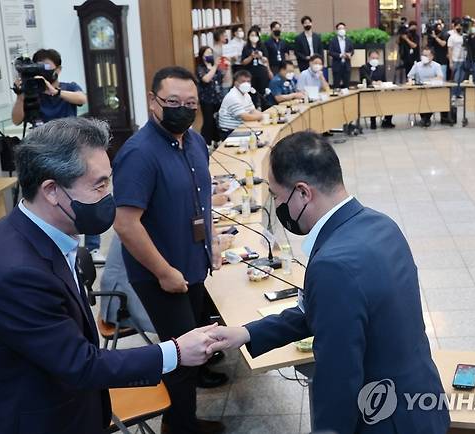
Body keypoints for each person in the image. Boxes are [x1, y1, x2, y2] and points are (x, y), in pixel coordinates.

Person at [0, 117, 218, 434]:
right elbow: (80, 363)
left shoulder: (35, 230)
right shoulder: (18, 273)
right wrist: (175, 352)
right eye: (99, 184)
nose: (110, 195)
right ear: (51, 190)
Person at [206, 131, 451, 434]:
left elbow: (338, 378)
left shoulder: (333, 264)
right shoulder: (381, 224)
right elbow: (330, 312)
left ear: (303, 193)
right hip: (422, 403)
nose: (277, 206)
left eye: (277, 197)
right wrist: (246, 333)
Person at [113, 66, 227, 434]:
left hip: (192, 262)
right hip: (159, 273)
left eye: (190, 103)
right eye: (173, 102)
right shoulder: (138, 154)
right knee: (180, 357)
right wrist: (164, 272)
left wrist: (213, 245)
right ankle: (178, 428)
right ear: (152, 102)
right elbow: (125, 223)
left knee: (196, 343)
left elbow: (202, 199)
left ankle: (185, 418)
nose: (183, 109)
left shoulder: (193, 141)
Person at [10, 48, 104, 265]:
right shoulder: (32, 92)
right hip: (44, 155)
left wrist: (55, 92)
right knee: (51, 199)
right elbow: (16, 120)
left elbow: (82, 99)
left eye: (48, 67)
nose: (44, 73)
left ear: (58, 69)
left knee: (86, 195)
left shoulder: (68, 88)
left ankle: (93, 247)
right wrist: (22, 94)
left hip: (72, 151)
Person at [218, 69, 264, 137]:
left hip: (242, 126)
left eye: (248, 81)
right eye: (243, 81)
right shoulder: (233, 96)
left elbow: (252, 110)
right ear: (236, 83)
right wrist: (261, 116)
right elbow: (245, 117)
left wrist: (264, 116)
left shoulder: (246, 94)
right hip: (230, 131)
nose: (246, 84)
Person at [407, 48, 443, 127]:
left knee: (431, 99)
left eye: (426, 55)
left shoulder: (436, 65)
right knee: (420, 98)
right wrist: (412, 81)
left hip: (432, 91)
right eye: (423, 55)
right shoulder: (417, 65)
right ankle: (425, 119)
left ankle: (425, 119)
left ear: (432, 57)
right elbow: (409, 76)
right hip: (419, 90)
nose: (424, 57)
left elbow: (440, 77)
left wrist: (430, 81)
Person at [359, 50, 394, 129]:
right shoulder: (364, 67)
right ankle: (373, 122)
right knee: (372, 101)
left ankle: (387, 121)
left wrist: (380, 82)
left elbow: (384, 80)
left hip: (380, 92)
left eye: (376, 58)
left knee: (391, 99)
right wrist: (372, 82)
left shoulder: (381, 68)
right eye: (373, 58)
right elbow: (365, 77)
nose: (375, 60)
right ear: (369, 58)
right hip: (369, 93)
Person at [196, 46, 223, 147]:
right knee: (208, 121)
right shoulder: (200, 68)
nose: (209, 56)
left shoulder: (214, 67)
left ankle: (217, 140)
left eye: (210, 53)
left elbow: (220, 78)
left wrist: (224, 68)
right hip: (207, 99)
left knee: (217, 120)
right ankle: (205, 143)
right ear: (202, 56)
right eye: (206, 54)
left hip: (217, 97)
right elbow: (206, 79)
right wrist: (215, 66)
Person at [241, 28, 272, 108]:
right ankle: (253, 109)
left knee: (263, 92)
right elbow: (243, 62)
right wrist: (251, 56)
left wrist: (261, 56)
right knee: (252, 93)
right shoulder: (246, 47)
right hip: (250, 73)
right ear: (248, 36)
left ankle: (265, 109)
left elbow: (266, 60)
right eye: (252, 35)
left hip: (261, 72)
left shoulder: (262, 46)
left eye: (255, 35)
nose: (254, 37)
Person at [328, 22, 354, 89]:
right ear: (337, 31)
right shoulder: (333, 41)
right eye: (340, 28)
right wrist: (340, 55)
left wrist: (349, 54)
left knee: (347, 85)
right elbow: (330, 52)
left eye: (343, 28)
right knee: (336, 85)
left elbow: (352, 51)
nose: (342, 30)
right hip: (337, 66)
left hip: (347, 66)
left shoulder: (349, 40)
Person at [448, 17, 466, 99]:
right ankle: (454, 94)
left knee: (461, 78)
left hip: (463, 59)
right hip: (455, 59)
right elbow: (450, 49)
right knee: (456, 77)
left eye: (460, 26)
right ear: (454, 27)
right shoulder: (452, 37)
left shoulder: (464, 36)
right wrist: (450, 61)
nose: (459, 28)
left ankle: (458, 93)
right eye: (458, 26)